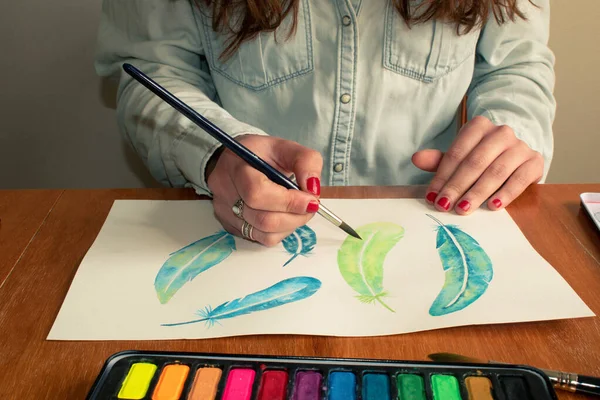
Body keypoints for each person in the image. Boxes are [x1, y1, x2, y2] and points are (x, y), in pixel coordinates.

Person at [94, 0, 555, 246]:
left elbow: (516, 65)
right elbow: (150, 70)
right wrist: (216, 153)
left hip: (433, 219)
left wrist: (510, 132)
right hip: (230, 220)